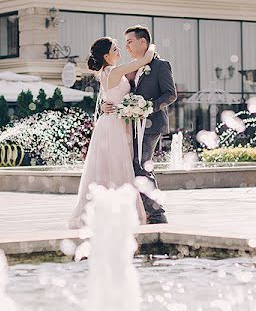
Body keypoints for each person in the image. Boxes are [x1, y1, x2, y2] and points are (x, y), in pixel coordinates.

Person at [67, 37, 154, 229]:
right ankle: (119, 214)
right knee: (117, 166)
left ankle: (109, 211)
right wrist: (151, 45)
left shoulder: (106, 72)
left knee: (111, 166)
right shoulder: (113, 71)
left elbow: (109, 97)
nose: (120, 51)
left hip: (114, 121)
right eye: (115, 49)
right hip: (113, 125)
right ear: (106, 56)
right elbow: (143, 60)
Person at [103, 25, 176, 224]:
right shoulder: (136, 67)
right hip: (134, 125)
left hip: (152, 125)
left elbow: (170, 94)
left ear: (142, 42)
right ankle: (148, 211)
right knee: (138, 165)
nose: (126, 47)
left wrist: (146, 108)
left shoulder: (161, 65)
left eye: (129, 42)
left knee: (141, 166)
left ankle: (157, 214)